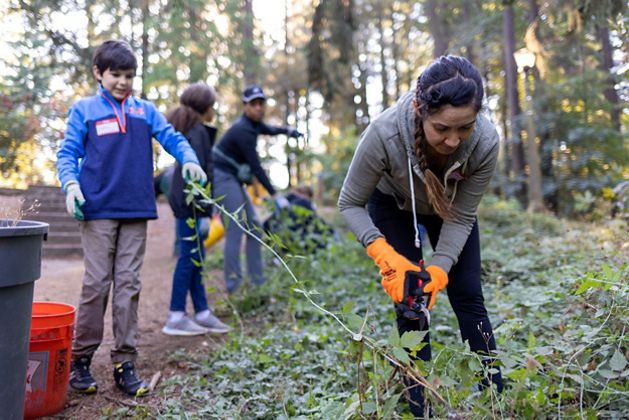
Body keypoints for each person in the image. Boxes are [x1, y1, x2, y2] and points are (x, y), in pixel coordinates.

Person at [338, 55, 503, 417]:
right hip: (394, 204)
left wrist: (441, 269)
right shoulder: (384, 134)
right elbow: (350, 202)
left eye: (465, 128)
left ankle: (495, 396)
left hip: (452, 210)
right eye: (442, 128)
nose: (453, 139)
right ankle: (419, 404)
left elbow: (461, 216)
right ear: (419, 109)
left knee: (468, 295)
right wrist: (385, 254)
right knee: (411, 303)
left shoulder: (487, 143)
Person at [56, 40, 207, 397]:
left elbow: (172, 137)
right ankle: (81, 359)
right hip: (97, 211)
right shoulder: (85, 110)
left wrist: (189, 158)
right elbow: (67, 153)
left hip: (136, 210)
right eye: (116, 75)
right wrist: (71, 186)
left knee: (128, 286)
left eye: (129, 75)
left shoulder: (144, 111)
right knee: (97, 284)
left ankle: (125, 362)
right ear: (98, 73)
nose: (123, 82)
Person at [213, 84, 301, 293]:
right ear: (245, 106)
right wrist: (276, 195)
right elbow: (257, 169)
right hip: (221, 176)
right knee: (236, 228)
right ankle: (233, 286)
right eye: (254, 104)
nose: (259, 108)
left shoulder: (254, 125)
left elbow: (269, 129)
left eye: (261, 104)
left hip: (233, 178)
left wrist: (287, 131)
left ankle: (257, 282)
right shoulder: (243, 130)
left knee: (254, 228)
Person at [162, 82, 230, 336]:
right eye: (213, 106)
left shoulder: (195, 130)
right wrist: (204, 212)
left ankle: (201, 311)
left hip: (190, 204)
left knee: (196, 258)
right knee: (188, 259)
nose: (215, 111)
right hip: (191, 205)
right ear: (206, 107)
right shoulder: (198, 132)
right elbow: (199, 177)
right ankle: (176, 315)